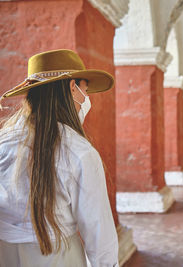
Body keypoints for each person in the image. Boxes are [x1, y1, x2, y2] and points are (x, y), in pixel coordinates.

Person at [0, 49, 119, 267]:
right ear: (73, 87)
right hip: (60, 258)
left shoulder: (3, 142)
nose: (86, 97)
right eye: (85, 89)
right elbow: (99, 234)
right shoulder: (80, 152)